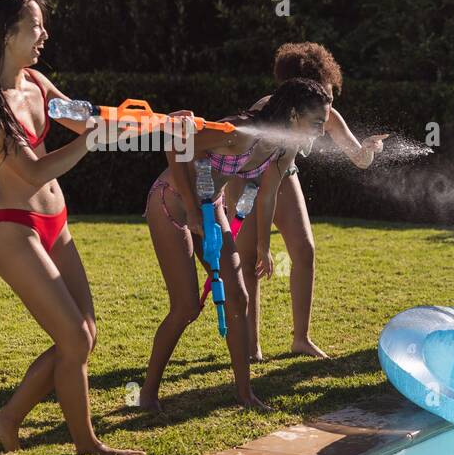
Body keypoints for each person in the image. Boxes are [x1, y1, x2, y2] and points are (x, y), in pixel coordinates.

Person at [0, 0, 143, 455]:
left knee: (83, 336)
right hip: (16, 230)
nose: (44, 34)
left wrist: (161, 122)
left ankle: (7, 420)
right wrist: (91, 141)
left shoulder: (38, 84)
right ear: (6, 34)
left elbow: (90, 118)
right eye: (36, 26)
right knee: (73, 337)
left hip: (56, 224)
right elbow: (35, 170)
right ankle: (85, 443)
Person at [138, 78, 333, 412]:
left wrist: (262, 247)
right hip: (171, 201)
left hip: (208, 205)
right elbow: (176, 145)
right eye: (317, 122)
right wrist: (192, 205)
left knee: (239, 297)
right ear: (293, 114)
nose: (320, 131)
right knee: (186, 306)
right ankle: (147, 395)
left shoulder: (282, 147)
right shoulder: (240, 131)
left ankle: (245, 394)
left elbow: (267, 193)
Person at [231, 42, 387, 361]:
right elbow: (236, 151)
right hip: (245, 177)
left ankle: (300, 339)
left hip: (283, 173)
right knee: (248, 258)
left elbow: (358, 158)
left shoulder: (326, 111)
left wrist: (369, 149)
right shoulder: (269, 109)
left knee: (304, 250)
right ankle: (251, 347)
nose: (328, 100)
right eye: (324, 92)